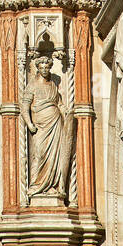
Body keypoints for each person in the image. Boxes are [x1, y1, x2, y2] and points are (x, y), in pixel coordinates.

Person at [20, 54, 74, 199]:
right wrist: (29, 123)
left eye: (47, 67)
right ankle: (35, 186)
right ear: (38, 68)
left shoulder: (52, 85)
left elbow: (59, 103)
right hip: (40, 126)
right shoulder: (32, 85)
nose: (44, 70)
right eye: (42, 67)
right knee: (39, 154)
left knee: (54, 157)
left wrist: (66, 111)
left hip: (56, 124)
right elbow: (24, 107)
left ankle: (53, 186)